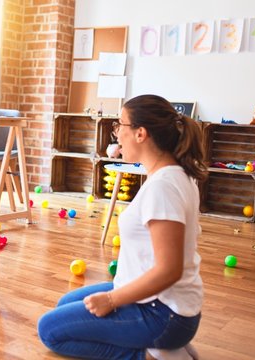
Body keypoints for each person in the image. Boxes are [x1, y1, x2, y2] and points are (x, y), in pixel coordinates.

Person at [37, 94, 208, 359]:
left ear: (141, 133)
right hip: (161, 304)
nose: (116, 133)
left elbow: (169, 270)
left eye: (120, 125)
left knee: (50, 330)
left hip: (163, 313)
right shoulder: (172, 175)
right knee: (65, 305)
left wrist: (112, 300)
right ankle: (166, 347)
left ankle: (151, 355)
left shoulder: (163, 187)